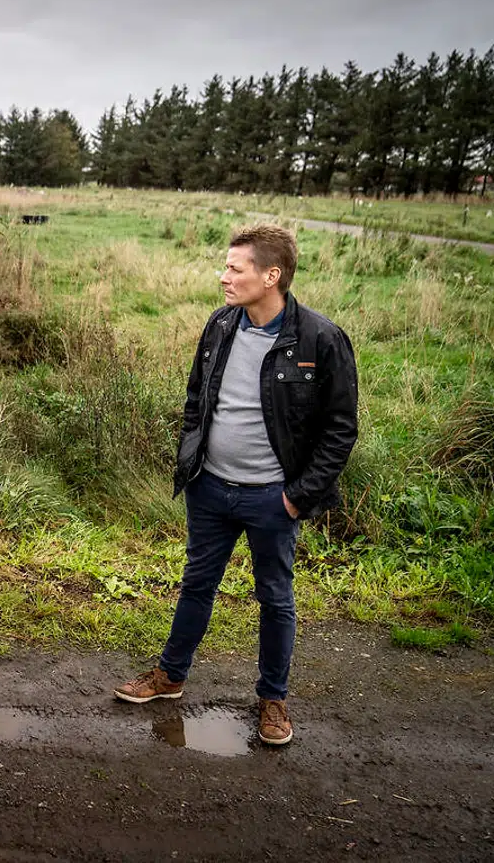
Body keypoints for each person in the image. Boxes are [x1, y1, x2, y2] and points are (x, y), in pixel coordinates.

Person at [114, 223, 358, 746]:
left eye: (234, 268)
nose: (223, 276)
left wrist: (296, 497)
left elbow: (340, 431)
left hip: (274, 498)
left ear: (271, 276)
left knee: (274, 597)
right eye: (225, 266)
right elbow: (196, 398)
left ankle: (273, 699)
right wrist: (191, 459)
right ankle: (170, 676)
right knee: (196, 583)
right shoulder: (222, 325)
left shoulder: (320, 339)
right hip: (211, 488)